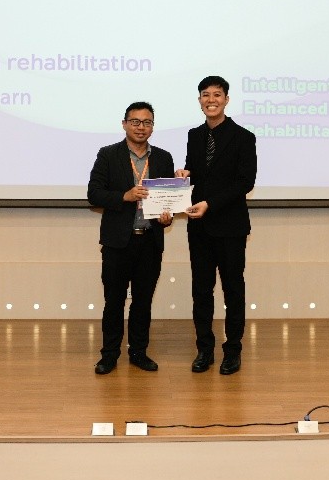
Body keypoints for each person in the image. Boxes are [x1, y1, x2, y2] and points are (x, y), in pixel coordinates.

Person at [86, 102, 175, 374]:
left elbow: (168, 200)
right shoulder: (108, 155)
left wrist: (167, 217)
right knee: (113, 301)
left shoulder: (163, 158)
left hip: (149, 241)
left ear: (152, 127)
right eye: (135, 122)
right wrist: (123, 196)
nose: (141, 127)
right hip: (117, 242)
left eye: (147, 122)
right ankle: (109, 355)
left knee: (143, 301)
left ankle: (138, 352)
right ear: (124, 124)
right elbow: (94, 194)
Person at [178, 76, 257, 375]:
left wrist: (210, 203)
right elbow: (197, 173)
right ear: (199, 100)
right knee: (201, 290)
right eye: (205, 95)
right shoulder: (194, 135)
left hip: (231, 227)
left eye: (217, 95)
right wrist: (184, 175)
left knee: (233, 290)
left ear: (226, 99)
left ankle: (232, 350)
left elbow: (245, 182)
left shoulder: (244, 137)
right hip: (199, 227)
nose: (211, 100)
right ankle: (204, 350)